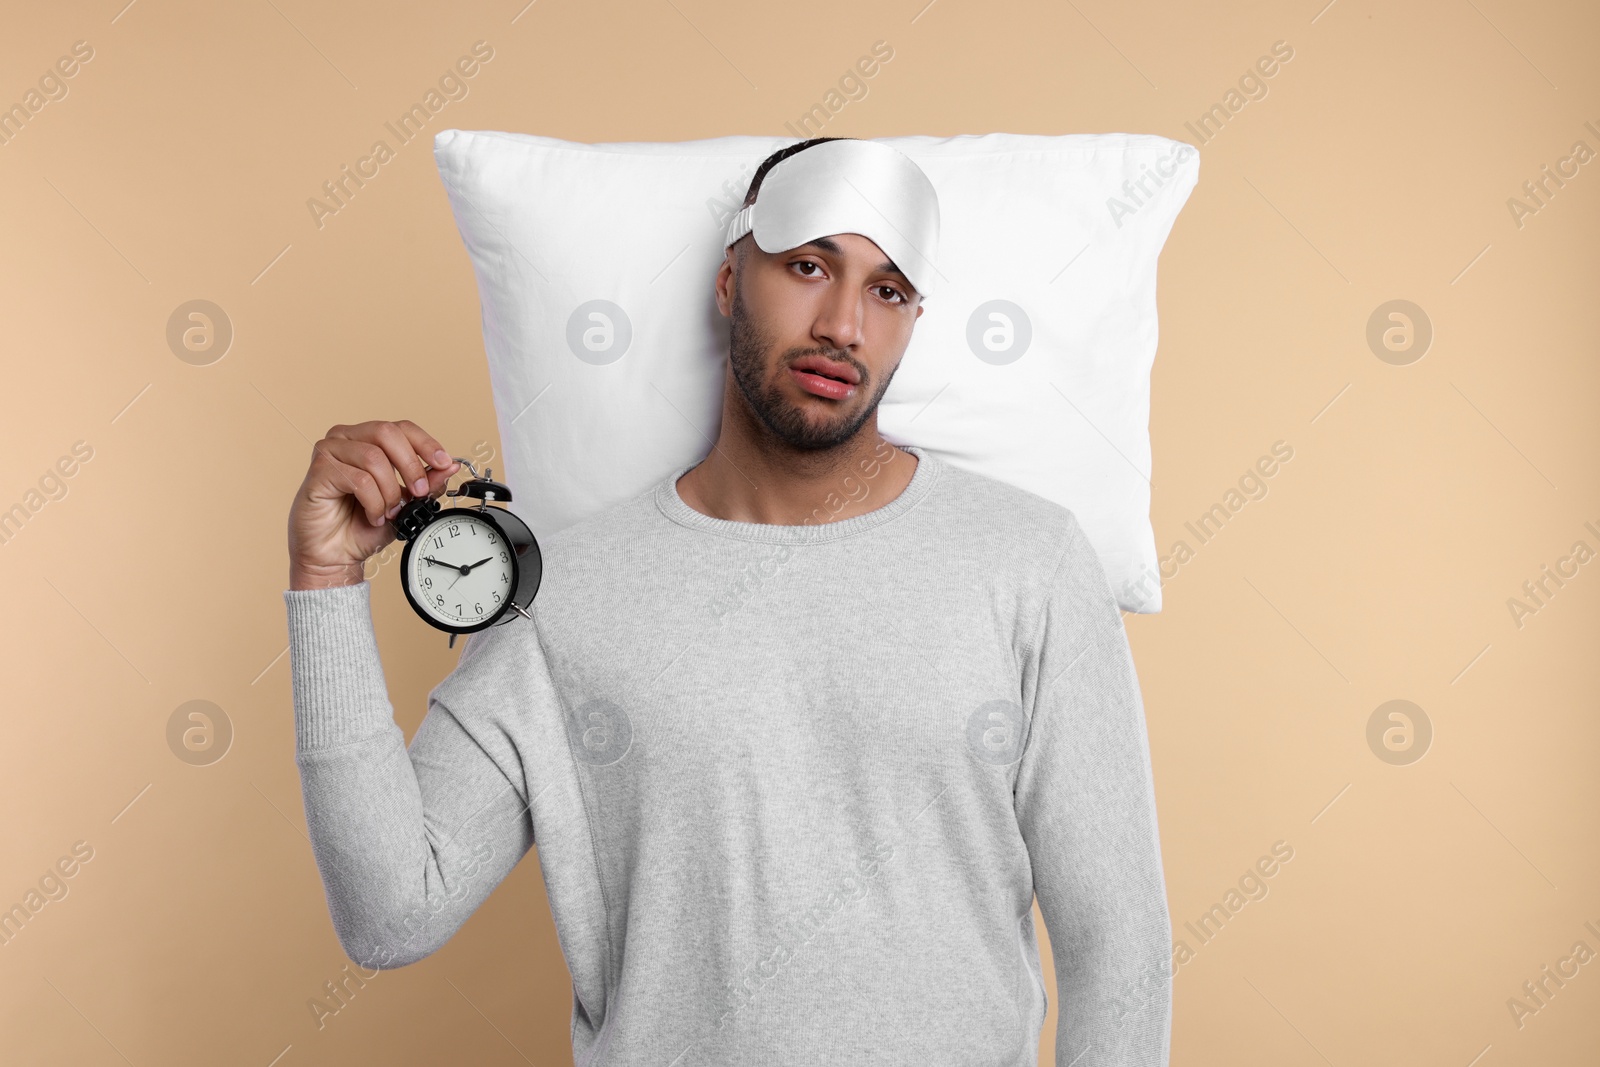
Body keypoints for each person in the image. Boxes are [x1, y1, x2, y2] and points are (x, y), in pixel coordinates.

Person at [284, 136, 1171, 1065]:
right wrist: (326, 584)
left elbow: (1121, 947)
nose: (844, 324)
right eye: (808, 265)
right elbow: (392, 913)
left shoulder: (1029, 561)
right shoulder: (565, 596)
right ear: (727, 283)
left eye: (888, 290)